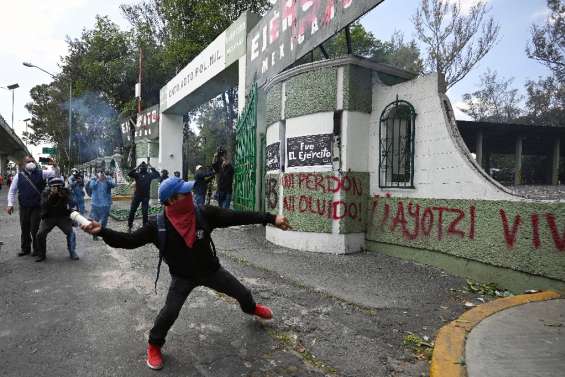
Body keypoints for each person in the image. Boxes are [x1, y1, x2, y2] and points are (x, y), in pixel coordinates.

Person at [80, 177, 291, 370]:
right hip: (182, 277)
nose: (190, 196)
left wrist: (270, 218)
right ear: (171, 200)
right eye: (185, 194)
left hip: (211, 271)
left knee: (243, 294)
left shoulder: (203, 213)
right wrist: (103, 231)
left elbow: (235, 216)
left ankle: (252, 308)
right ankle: (154, 345)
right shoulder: (157, 225)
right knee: (169, 313)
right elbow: (129, 241)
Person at [5, 156, 55, 257]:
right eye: (28, 161)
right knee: (24, 229)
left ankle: (37, 250)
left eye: (32, 161)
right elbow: (12, 191)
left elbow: (55, 173)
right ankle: (25, 249)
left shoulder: (42, 173)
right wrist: (10, 204)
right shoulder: (18, 176)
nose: (31, 163)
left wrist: (54, 165)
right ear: (24, 164)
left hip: (37, 207)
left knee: (34, 229)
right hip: (24, 207)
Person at [35, 176, 79, 262]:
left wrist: (65, 196)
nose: (56, 188)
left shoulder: (66, 191)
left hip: (63, 217)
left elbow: (73, 203)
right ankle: (41, 254)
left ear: (62, 186)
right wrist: (50, 196)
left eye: (59, 186)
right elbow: (42, 205)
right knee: (40, 234)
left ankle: (72, 251)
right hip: (49, 217)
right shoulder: (45, 192)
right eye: (54, 186)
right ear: (50, 186)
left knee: (71, 233)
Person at [127, 161, 160, 232]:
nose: (142, 168)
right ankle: (130, 226)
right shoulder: (137, 175)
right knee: (132, 211)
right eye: (141, 167)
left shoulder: (149, 175)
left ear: (146, 168)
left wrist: (151, 167)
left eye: (143, 167)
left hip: (145, 197)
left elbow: (157, 174)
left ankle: (145, 227)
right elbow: (129, 174)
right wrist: (137, 167)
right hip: (137, 196)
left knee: (145, 213)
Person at [90, 170, 116, 241]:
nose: (101, 174)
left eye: (102, 172)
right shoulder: (94, 178)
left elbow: (113, 185)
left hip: (106, 204)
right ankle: (95, 235)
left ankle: (102, 234)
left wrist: (106, 179)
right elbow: (91, 186)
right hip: (96, 203)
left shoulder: (108, 178)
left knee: (104, 220)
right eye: (99, 172)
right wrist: (98, 180)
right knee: (95, 220)